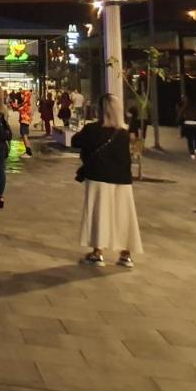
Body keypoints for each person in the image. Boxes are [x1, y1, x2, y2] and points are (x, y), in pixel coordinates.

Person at [73, 94, 142, 268]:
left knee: (99, 214)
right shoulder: (124, 133)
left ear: (101, 110)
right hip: (122, 180)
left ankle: (97, 252)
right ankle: (125, 254)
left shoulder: (92, 129)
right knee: (124, 216)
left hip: (98, 178)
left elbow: (75, 141)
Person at [15, 91, 33, 157]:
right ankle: (28, 150)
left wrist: (14, 105)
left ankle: (28, 152)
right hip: (25, 121)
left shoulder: (26, 104)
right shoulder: (26, 103)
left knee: (24, 135)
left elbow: (19, 109)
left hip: (24, 121)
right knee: (24, 136)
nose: (21, 96)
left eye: (23, 95)